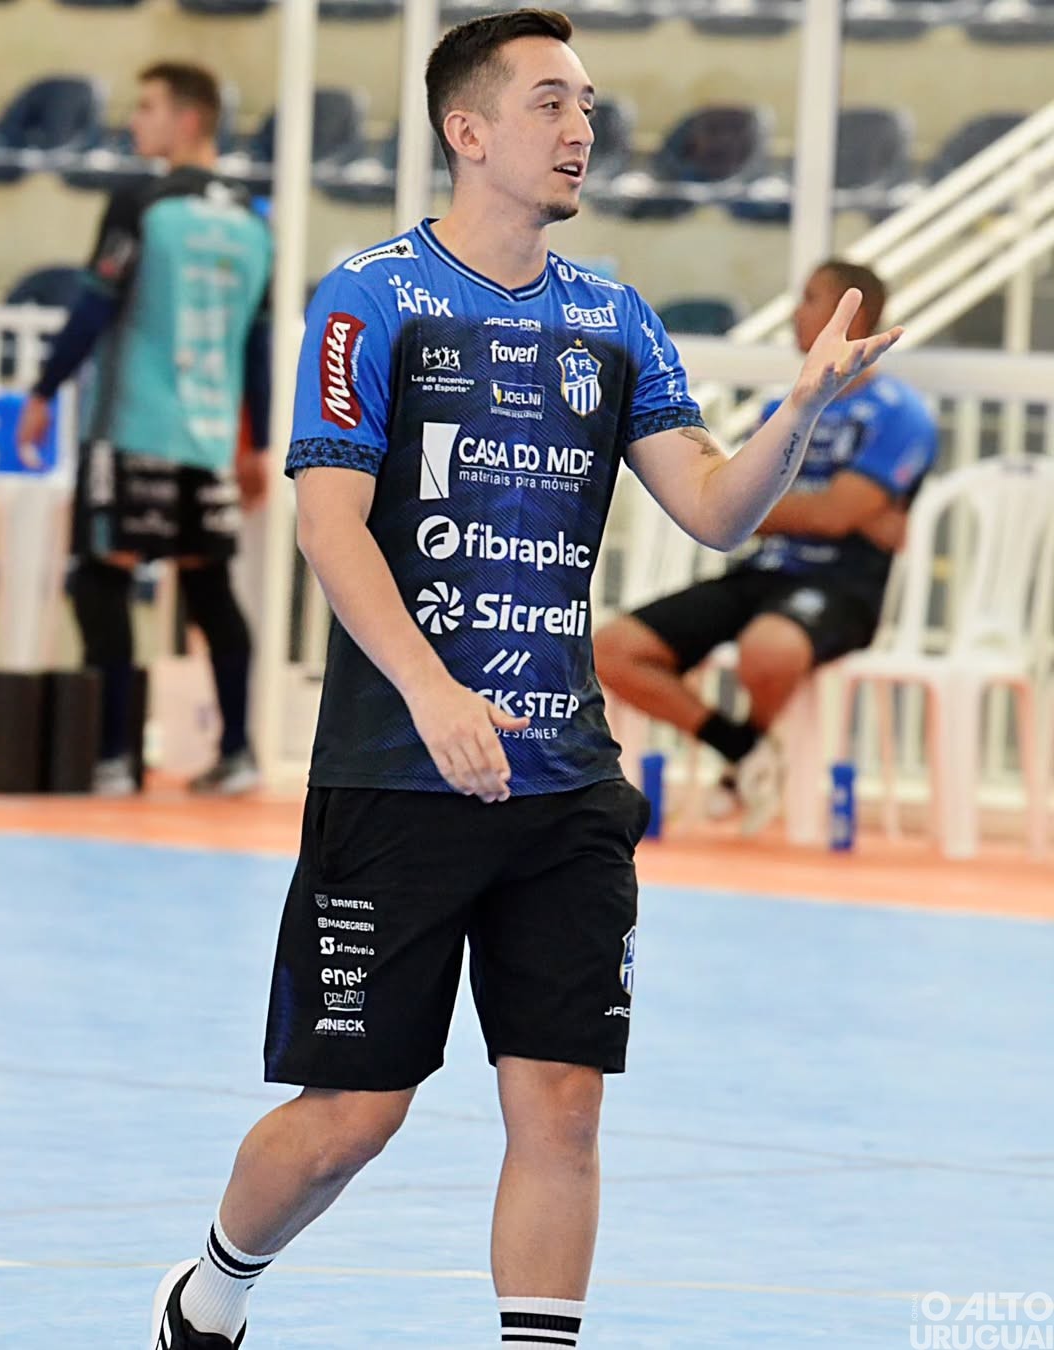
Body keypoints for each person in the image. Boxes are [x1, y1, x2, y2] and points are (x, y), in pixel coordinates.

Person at [148, 13, 903, 1349]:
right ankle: (212, 1289)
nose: (581, 130)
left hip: (565, 780)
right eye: (552, 103)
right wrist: (437, 694)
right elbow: (329, 525)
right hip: (401, 770)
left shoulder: (613, 318)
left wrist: (799, 413)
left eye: (591, 106)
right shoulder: (372, 297)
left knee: (560, 1106)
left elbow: (719, 513)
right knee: (351, 1117)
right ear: (468, 129)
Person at [595, 260, 938, 834]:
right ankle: (742, 748)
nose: (795, 314)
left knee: (767, 650)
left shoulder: (902, 414)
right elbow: (746, 508)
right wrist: (816, 511)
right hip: (763, 572)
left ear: (854, 315)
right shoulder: (781, 410)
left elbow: (827, 516)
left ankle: (743, 758)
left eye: (809, 299)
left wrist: (784, 510)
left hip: (843, 583)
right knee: (612, 649)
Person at [17, 62, 273, 797]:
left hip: (132, 425)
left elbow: (96, 301)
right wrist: (253, 443)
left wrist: (43, 390)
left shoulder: (142, 202)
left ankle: (113, 758)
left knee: (99, 579)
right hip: (209, 436)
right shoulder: (255, 221)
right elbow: (255, 344)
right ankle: (239, 753)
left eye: (149, 107)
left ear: (190, 120)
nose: (136, 121)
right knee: (211, 587)